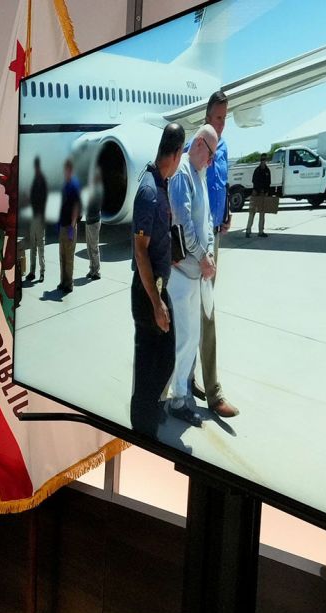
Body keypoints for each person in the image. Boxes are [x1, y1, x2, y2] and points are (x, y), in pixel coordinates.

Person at [130, 123, 184, 438]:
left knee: (160, 358)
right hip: (149, 292)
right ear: (176, 154)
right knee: (153, 361)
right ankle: (144, 428)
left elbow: (156, 237)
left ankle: (149, 412)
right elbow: (140, 251)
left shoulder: (161, 182)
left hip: (158, 288)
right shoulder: (150, 191)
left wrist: (169, 253)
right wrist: (156, 303)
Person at [167, 125, 218, 428]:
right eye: (210, 154)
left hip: (196, 272)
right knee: (183, 338)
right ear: (199, 144)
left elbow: (207, 221)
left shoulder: (199, 174)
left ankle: (182, 392)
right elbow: (182, 223)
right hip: (182, 274)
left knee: (192, 336)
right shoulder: (182, 174)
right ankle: (177, 399)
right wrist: (202, 256)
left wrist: (209, 253)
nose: (211, 161)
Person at [192, 91, 239, 418]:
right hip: (199, 243)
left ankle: (188, 377)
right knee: (205, 313)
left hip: (214, 237)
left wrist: (225, 214)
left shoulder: (223, 147)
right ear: (208, 117)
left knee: (201, 310)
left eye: (225, 117)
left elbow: (218, 185)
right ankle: (213, 393)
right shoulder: (197, 145)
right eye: (218, 118)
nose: (222, 124)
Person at [57, 159, 81, 293]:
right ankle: (63, 281)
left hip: (70, 227)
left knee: (69, 257)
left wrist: (72, 228)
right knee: (62, 256)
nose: (65, 172)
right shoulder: (64, 185)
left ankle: (69, 284)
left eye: (67, 170)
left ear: (70, 170)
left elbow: (76, 208)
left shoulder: (74, 186)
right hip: (63, 226)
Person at [25, 156, 47, 283]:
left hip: (39, 218)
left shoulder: (42, 181)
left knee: (40, 246)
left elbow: (43, 201)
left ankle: (42, 271)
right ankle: (32, 271)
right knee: (33, 246)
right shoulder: (34, 180)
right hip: (33, 218)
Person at [84, 167, 104, 280]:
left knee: (94, 247)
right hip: (89, 220)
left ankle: (96, 271)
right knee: (89, 246)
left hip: (94, 221)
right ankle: (92, 268)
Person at [246, 153, 271, 238]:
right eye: (262, 159)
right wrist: (258, 190)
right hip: (256, 193)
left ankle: (261, 231)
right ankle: (248, 230)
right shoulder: (257, 170)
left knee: (262, 214)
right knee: (252, 213)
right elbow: (254, 181)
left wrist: (266, 192)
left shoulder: (267, 170)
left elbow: (268, 183)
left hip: (263, 195)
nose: (263, 161)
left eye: (264, 159)